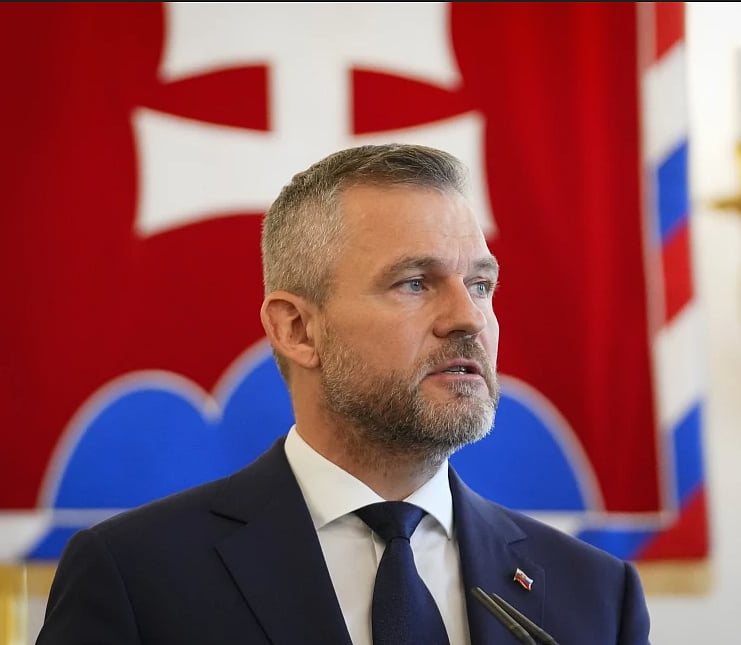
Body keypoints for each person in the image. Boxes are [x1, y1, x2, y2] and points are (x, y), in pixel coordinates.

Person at [36, 143, 651, 645]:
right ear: (297, 329)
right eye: (415, 283)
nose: (469, 318)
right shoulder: (136, 576)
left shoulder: (595, 594)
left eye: (481, 285)